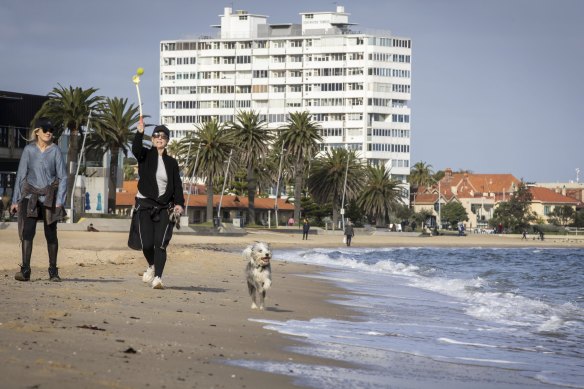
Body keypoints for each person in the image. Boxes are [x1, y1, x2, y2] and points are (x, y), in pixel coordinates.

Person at [10, 118, 67, 282]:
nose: (49, 132)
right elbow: (21, 176)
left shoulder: (55, 150)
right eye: (45, 129)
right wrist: (15, 200)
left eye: (51, 129)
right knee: (28, 232)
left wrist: (60, 200)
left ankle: (53, 272)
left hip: (49, 197)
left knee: (51, 234)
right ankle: (25, 270)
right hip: (30, 196)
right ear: (37, 132)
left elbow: (63, 177)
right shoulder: (28, 150)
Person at [132, 120, 184, 289]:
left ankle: (158, 278)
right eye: (156, 135)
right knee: (146, 244)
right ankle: (152, 266)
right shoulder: (145, 155)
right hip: (145, 205)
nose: (159, 138)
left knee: (160, 243)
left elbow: (177, 185)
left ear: (167, 140)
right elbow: (136, 149)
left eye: (163, 136)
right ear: (152, 139)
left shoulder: (172, 163)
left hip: (164, 207)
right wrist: (139, 133)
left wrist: (179, 204)